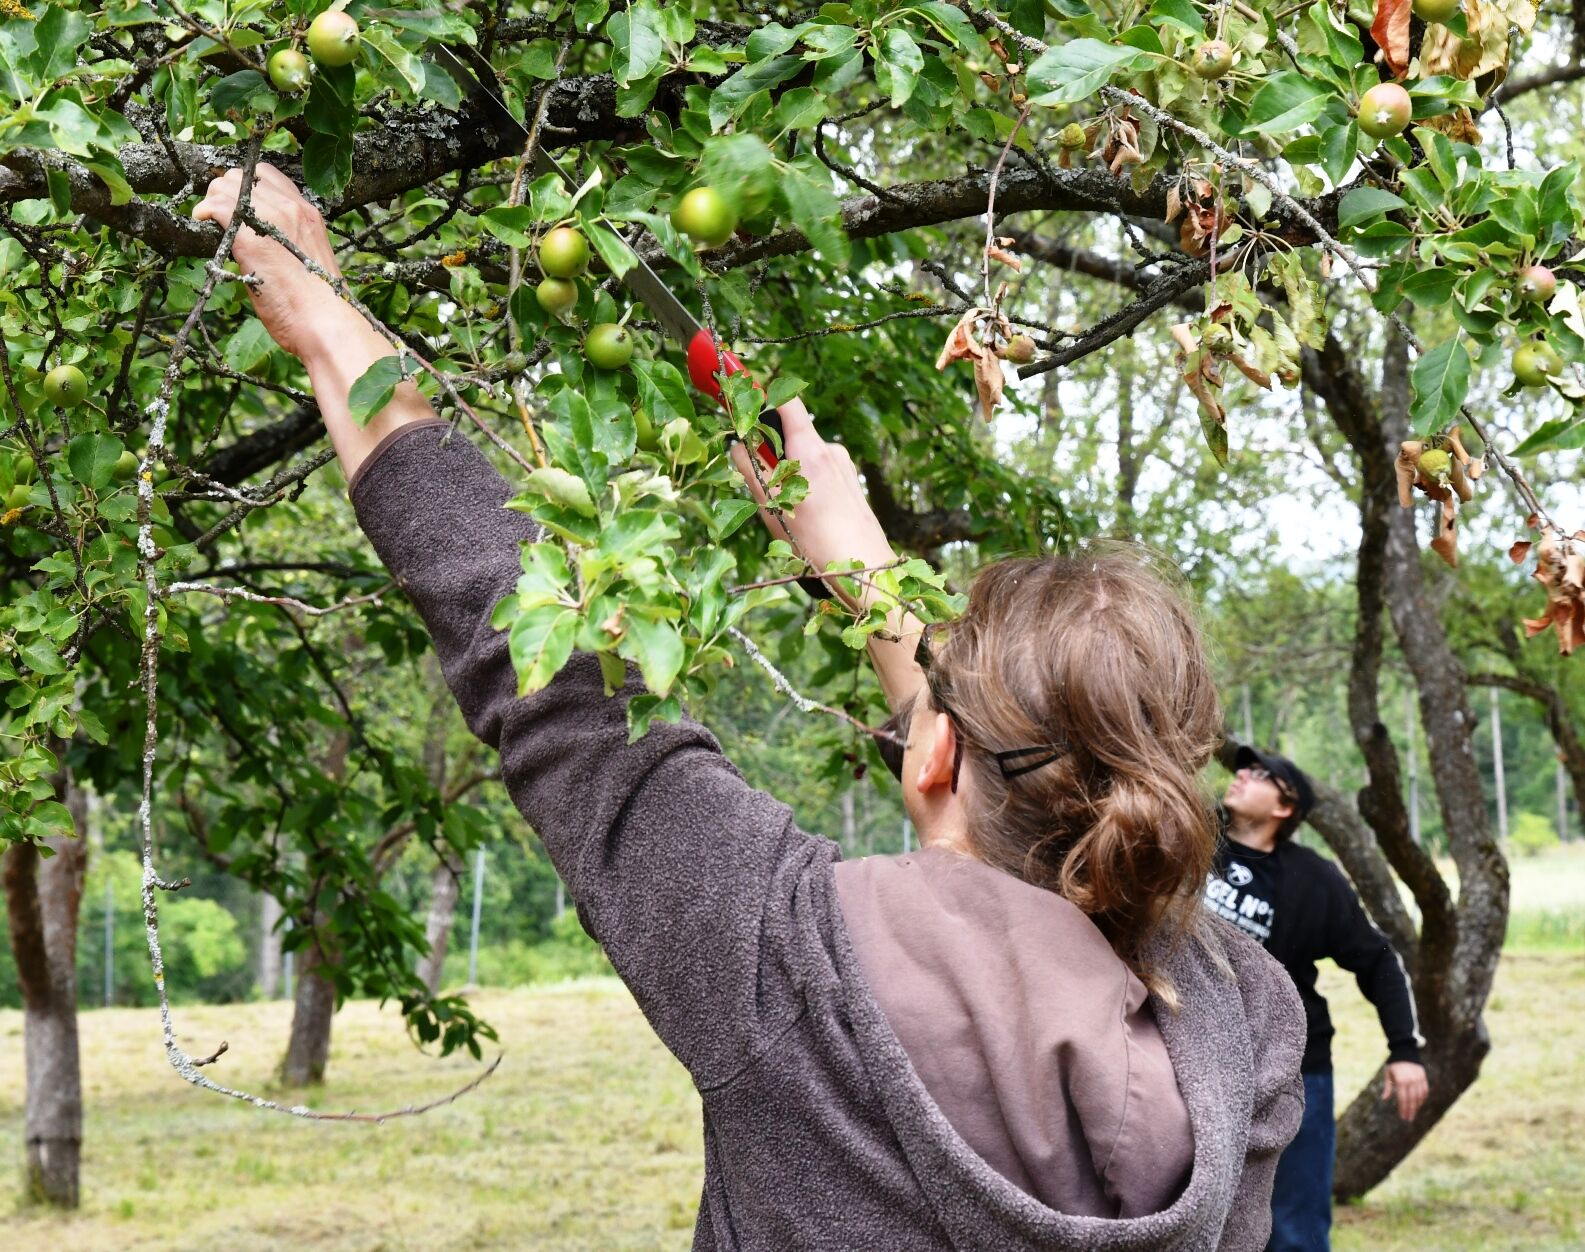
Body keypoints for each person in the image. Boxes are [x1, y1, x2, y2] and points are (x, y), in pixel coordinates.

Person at [192, 165, 1305, 1251]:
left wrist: (322, 315)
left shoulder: (788, 966)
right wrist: (855, 556)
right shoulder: (1245, 1025)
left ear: (933, 757)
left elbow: (538, 665)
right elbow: (999, 757)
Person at [1208, 747, 1429, 1252]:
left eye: (1260, 774)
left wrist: (1405, 1050)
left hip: (1291, 1069)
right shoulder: (1192, 842)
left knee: (1294, 1228)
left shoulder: (1313, 879)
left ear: (1285, 807)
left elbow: (1377, 960)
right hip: (1192, 1057)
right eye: (1243, 767)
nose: (1241, 774)